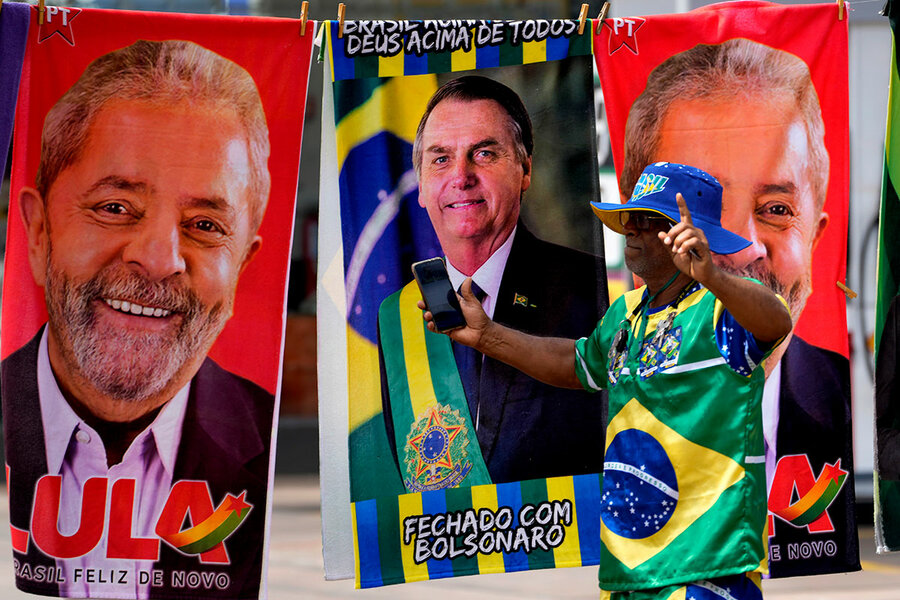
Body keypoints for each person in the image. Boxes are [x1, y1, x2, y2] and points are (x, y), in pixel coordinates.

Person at [424, 161, 792, 599]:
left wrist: (712, 275)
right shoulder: (625, 313)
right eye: (628, 218)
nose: (630, 229)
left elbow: (775, 322)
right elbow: (575, 364)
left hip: (706, 565)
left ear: (688, 235)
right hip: (629, 571)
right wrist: (486, 335)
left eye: (647, 220)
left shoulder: (720, 312)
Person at [2, 40, 275, 599]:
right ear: (37, 231)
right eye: (115, 208)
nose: (158, 259)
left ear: (243, 263)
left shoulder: (272, 442)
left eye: (205, 224)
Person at [618, 39, 855, 568]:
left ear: (815, 236)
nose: (744, 246)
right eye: (705, 212)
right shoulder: (598, 393)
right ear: (637, 227)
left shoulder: (841, 399)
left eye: (776, 208)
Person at [377, 75, 605, 490]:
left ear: (525, 170)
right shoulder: (395, 316)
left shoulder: (592, 287)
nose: (461, 176)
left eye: (483, 153)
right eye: (441, 159)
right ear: (423, 187)